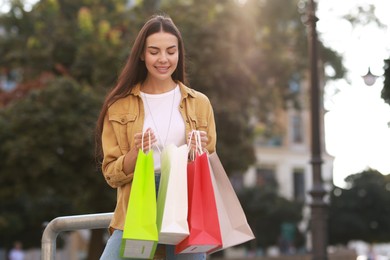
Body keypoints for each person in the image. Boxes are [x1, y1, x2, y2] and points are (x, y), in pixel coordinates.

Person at [96, 14, 216, 260]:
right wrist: (134, 153)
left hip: (184, 206)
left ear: (179, 53)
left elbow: (210, 166)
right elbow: (110, 173)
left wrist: (199, 152)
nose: (163, 59)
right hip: (136, 205)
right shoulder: (119, 105)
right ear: (142, 54)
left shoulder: (199, 103)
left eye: (171, 51)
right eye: (154, 51)